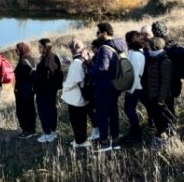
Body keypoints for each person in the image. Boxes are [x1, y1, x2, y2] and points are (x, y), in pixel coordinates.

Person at [88, 22, 127, 152]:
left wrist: (89, 69)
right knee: (114, 114)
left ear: (105, 33)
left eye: (98, 32)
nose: (97, 35)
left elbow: (102, 68)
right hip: (115, 85)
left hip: (103, 87)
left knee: (102, 115)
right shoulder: (119, 45)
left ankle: (104, 143)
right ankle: (115, 142)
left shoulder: (105, 48)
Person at [146, 37, 175, 149]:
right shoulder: (155, 59)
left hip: (162, 98)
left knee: (163, 121)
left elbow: (166, 83)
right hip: (155, 96)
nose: (147, 49)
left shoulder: (164, 61)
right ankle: (162, 139)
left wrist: (161, 100)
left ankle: (162, 142)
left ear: (155, 47)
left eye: (149, 47)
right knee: (158, 120)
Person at [62, 39, 91, 149]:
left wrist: (65, 86)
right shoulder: (84, 59)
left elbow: (74, 80)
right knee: (81, 119)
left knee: (76, 120)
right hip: (82, 95)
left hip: (76, 97)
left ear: (71, 49)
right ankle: (81, 139)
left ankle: (80, 141)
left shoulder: (77, 63)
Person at [35, 38, 62, 143]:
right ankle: (52, 131)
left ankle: (47, 133)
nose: (38, 48)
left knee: (44, 111)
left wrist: (38, 81)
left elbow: (50, 75)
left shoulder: (49, 59)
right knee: (50, 110)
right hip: (49, 91)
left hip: (45, 91)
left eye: (40, 47)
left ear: (46, 47)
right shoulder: (50, 57)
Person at [121, 31, 146, 144]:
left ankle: (136, 134)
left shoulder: (135, 55)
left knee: (129, 110)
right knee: (129, 109)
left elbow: (135, 74)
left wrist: (129, 90)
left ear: (129, 41)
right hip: (134, 87)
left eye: (126, 40)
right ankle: (134, 133)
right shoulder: (134, 53)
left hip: (135, 87)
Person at [14, 42, 37, 139]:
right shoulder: (33, 60)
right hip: (31, 90)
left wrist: (16, 88)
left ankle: (26, 131)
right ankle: (32, 129)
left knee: (22, 110)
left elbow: (20, 78)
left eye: (17, 50)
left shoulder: (22, 62)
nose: (16, 52)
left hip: (22, 90)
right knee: (31, 109)